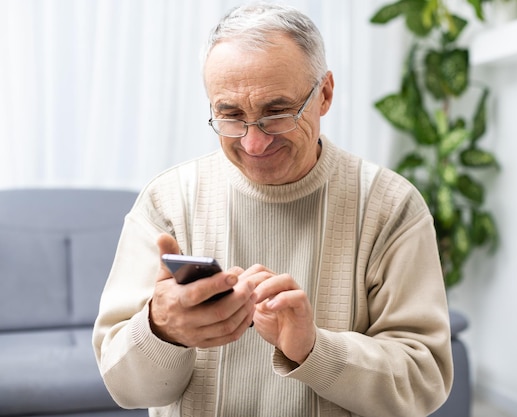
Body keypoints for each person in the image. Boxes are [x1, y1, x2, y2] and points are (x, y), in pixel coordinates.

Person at [92, 2, 453, 417]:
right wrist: (161, 330)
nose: (253, 143)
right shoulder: (167, 201)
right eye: (230, 115)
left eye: (277, 113)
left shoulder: (391, 206)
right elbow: (122, 386)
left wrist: (313, 349)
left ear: (325, 94)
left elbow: (425, 382)